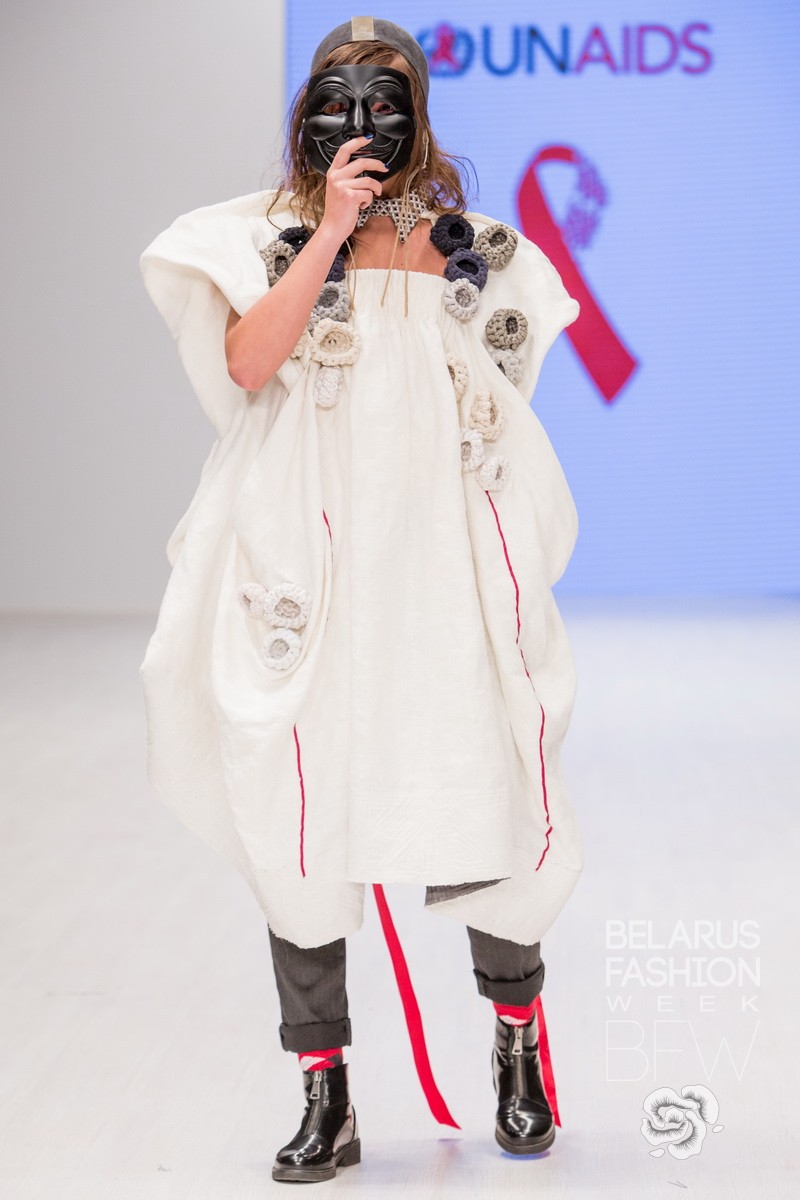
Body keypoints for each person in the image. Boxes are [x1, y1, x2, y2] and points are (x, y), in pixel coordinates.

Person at [139, 14, 584, 1186]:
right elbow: (248, 364)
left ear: (417, 117)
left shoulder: (470, 248)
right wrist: (331, 228)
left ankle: (519, 1055)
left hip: (438, 556)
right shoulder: (266, 235)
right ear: (307, 115)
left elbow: (501, 385)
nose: (360, 123)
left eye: (385, 103)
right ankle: (324, 1093)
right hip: (309, 556)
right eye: (336, 101)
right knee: (296, 804)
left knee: (489, 781)